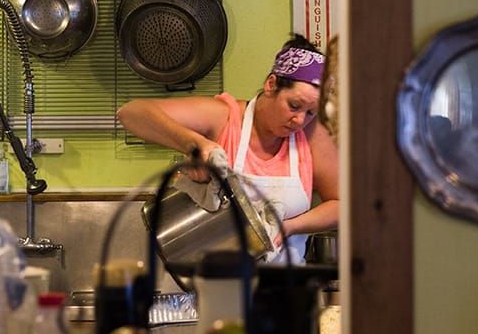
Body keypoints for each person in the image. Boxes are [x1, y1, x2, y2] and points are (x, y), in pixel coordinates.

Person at [117, 34, 340, 263]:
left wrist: (289, 227)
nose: (299, 120)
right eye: (294, 105)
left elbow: (341, 205)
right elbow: (130, 113)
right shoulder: (224, 117)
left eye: (311, 113)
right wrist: (194, 144)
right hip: (218, 285)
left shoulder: (311, 134)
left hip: (286, 290)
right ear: (271, 84)